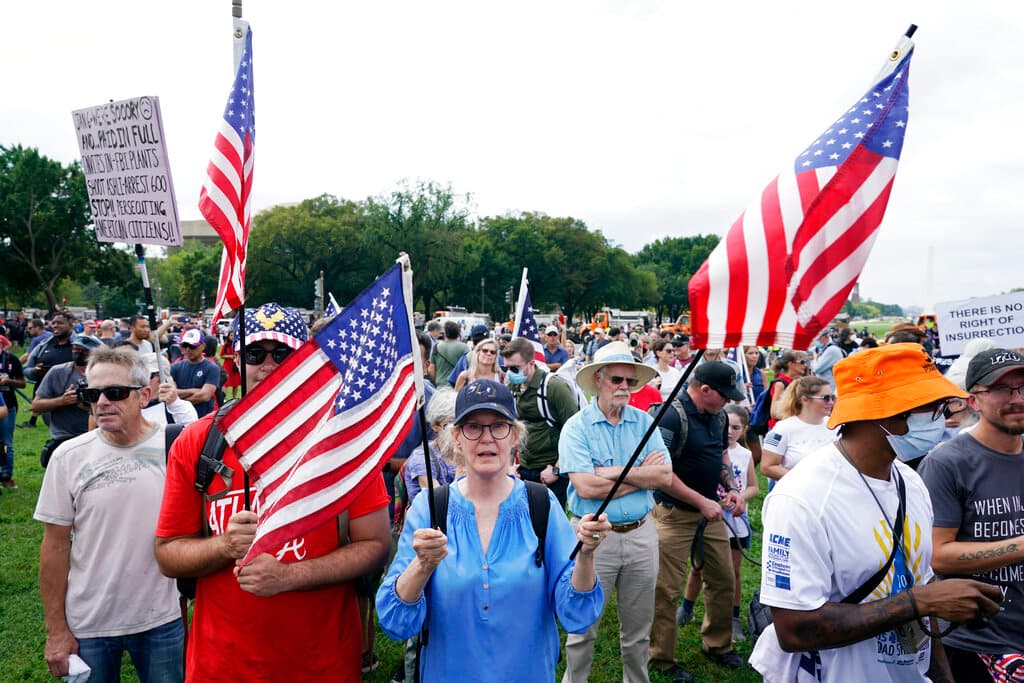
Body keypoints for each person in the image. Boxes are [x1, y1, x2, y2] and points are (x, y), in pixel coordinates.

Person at [154, 303, 391, 682]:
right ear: (236, 360)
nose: (267, 364)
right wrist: (224, 547)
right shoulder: (198, 442)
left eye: (282, 353)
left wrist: (290, 577)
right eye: (255, 353)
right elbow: (168, 554)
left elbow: (377, 545)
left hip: (322, 666)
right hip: (222, 667)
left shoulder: (343, 440)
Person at [749, 343, 1003, 682]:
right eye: (933, 407)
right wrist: (919, 602)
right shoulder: (802, 498)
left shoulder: (909, 480)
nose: (944, 418)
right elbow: (795, 629)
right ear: (884, 413)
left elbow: (921, 586)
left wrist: (942, 675)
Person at [376, 379, 609, 682]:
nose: (487, 438)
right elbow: (396, 623)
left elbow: (575, 613)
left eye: (498, 426)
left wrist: (586, 556)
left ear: (515, 436)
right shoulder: (430, 508)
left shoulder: (541, 504)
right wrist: (421, 566)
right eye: (473, 427)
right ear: (456, 437)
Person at [35, 346, 183, 682]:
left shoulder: (176, 448)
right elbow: (55, 546)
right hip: (90, 623)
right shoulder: (68, 456)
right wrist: (56, 629)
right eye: (92, 393)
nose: (101, 402)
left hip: (162, 619)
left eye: (114, 393)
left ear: (144, 395)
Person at [558, 341, 673, 683]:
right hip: (593, 538)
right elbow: (585, 488)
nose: (625, 387)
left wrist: (607, 471)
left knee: (638, 630)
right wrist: (639, 475)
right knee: (583, 628)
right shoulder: (576, 428)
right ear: (598, 381)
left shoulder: (644, 423)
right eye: (617, 380)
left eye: (629, 381)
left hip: (641, 533)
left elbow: (665, 475)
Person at [918, 348, 1024, 681]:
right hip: (980, 640)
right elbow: (937, 555)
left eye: (1023, 387)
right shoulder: (947, 464)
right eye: (1001, 390)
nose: (1017, 399)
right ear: (973, 401)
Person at [649, 360, 749, 681]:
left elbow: (721, 456)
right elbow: (660, 474)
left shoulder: (717, 416)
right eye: (724, 395)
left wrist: (731, 488)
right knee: (666, 589)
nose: (728, 402)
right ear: (704, 390)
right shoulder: (669, 416)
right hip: (673, 514)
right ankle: (662, 658)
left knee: (723, 579)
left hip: (711, 512)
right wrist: (702, 501)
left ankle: (717, 644)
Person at [679, 404, 759, 641]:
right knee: (698, 566)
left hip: (735, 522)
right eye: (727, 426)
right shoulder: (710, 450)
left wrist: (738, 497)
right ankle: (686, 608)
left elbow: (754, 486)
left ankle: (732, 618)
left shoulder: (745, 456)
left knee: (733, 571)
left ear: (744, 429)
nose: (730, 432)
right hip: (708, 517)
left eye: (736, 427)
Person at [31, 333, 101, 465]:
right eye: (76, 350)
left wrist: (89, 407)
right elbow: (36, 405)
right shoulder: (57, 372)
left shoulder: (103, 373)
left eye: (85, 351)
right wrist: (62, 401)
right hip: (64, 437)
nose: (79, 354)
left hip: (97, 436)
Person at [759, 376, 838, 482]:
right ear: (805, 400)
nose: (831, 403)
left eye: (832, 397)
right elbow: (767, 467)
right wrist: (805, 480)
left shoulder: (836, 425)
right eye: (825, 398)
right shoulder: (783, 429)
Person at [169, 329, 219, 418]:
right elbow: (169, 393)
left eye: (192, 346)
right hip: (180, 418)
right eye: (185, 345)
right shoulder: (175, 367)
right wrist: (194, 391)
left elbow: (205, 396)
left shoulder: (212, 368)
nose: (188, 349)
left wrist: (178, 400)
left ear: (203, 346)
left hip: (202, 418)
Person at [0, 335, 26, 487]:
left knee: (6, 442)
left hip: (7, 406)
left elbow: (22, 383)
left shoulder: (12, 360)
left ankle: (7, 476)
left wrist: (8, 381)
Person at [767, 350, 806, 428]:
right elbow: (774, 413)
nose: (804, 365)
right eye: (802, 362)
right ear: (790, 364)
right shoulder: (780, 384)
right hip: (781, 428)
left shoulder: (795, 381)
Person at [429, 320, 468, 388]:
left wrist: (436, 381)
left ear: (445, 333)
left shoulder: (437, 347)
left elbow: (431, 369)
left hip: (441, 386)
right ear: (458, 334)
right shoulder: (464, 348)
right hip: (458, 386)